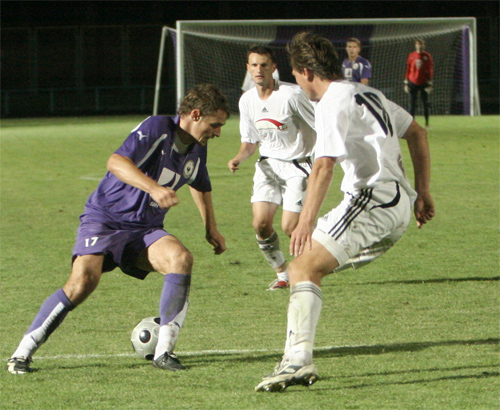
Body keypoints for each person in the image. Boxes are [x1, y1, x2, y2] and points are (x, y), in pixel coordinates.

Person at [7, 84, 230, 374]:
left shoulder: (198, 147)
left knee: (181, 258)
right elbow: (116, 161)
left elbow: (200, 183)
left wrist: (211, 228)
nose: (217, 132)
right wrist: (153, 188)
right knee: (82, 283)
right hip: (106, 220)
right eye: (215, 125)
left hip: (145, 229)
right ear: (196, 115)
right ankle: (21, 354)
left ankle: (164, 353)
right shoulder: (158, 128)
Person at [255, 32, 435, 392]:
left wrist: (305, 221)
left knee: (303, 266)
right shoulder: (367, 93)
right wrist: (423, 191)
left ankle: (297, 361)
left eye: (295, 74)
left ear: (307, 72)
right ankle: (296, 358)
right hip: (394, 203)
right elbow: (417, 133)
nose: (297, 81)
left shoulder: (331, 101)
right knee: (304, 267)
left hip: (373, 200)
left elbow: (324, 166)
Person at [228, 45, 316, 290]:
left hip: (297, 166)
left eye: (264, 65)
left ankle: (321, 253)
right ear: (248, 68)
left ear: (273, 68)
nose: (259, 70)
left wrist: (324, 158)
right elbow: (250, 141)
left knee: (290, 227)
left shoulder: (292, 95)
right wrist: (239, 158)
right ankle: (283, 274)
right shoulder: (247, 100)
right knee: (261, 224)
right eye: (254, 65)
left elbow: (320, 124)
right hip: (267, 166)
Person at [404, 38, 434, 128]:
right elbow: (408, 69)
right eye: (418, 44)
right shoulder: (411, 56)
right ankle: (411, 124)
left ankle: (427, 124)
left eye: (421, 44)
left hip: (424, 82)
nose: (419, 46)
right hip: (413, 82)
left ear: (423, 45)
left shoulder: (427, 56)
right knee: (412, 104)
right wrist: (406, 83)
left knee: (425, 104)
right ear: (415, 45)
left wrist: (430, 83)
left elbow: (430, 70)